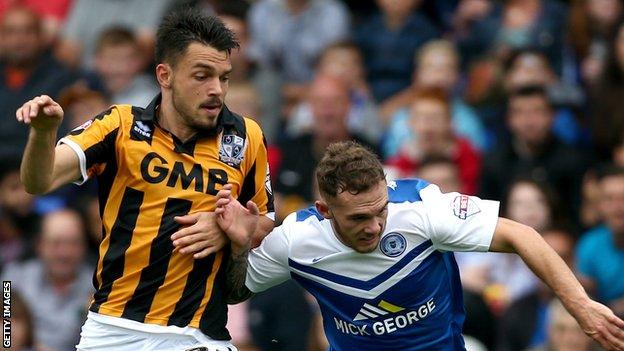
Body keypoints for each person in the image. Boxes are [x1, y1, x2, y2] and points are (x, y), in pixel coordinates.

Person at [15, 10, 274, 351]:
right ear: (165, 75)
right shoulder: (120, 125)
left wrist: (227, 228)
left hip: (197, 334)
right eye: (202, 76)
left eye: (224, 78)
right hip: (112, 329)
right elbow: (39, 181)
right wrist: (44, 133)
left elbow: (265, 224)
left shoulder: (246, 137)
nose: (216, 90)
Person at [214, 141, 624, 351]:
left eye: (381, 211)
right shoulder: (296, 240)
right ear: (324, 210)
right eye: (358, 217)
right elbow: (236, 290)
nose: (374, 226)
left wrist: (580, 305)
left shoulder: (425, 210)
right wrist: (236, 246)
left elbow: (522, 235)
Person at [2, 209, 93, 351]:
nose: (64, 252)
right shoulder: (13, 278)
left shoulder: (99, 287)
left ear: (84, 246)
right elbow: (4, 329)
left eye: (73, 243)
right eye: (56, 243)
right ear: (40, 244)